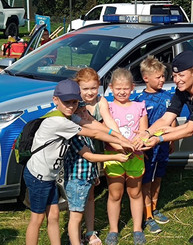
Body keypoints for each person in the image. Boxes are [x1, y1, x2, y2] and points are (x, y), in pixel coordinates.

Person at [23, 79, 133, 245]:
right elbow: (93, 134)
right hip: (39, 177)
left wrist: (118, 136)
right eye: (66, 102)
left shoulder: (67, 116)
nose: (71, 106)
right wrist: (123, 142)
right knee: (37, 219)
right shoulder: (59, 122)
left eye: (75, 102)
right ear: (55, 100)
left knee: (53, 215)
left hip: (49, 176)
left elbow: (93, 124)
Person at [136, 50, 193, 244]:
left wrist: (158, 140)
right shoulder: (181, 92)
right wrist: (146, 134)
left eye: (181, 75)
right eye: (175, 75)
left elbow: (190, 129)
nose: (177, 80)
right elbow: (166, 118)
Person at [64, 102, 129, 245]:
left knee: (88, 202)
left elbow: (93, 150)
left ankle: (89, 232)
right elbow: (90, 156)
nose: (83, 116)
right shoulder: (75, 134)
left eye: (84, 112)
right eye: (79, 114)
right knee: (76, 213)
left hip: (88, 176)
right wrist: (115, 156)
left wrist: (94, 174)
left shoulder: (87, 132)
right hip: (77, 179)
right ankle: (75, 239)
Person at [104, 68, 148, 245]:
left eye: (125, 88)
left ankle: (137, 229)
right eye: (118, 88)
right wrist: (120, 148)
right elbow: (106, 134)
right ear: (111, 88)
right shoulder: (107, 108)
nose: (122, 92)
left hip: (135, 157)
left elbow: (144, 131)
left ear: (132, 88)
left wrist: (139, 141)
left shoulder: (139, 106)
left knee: (135, 193)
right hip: (113, 157)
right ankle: (113, 230)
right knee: (115, 194)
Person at [134, 56, 175, 234]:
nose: (162, 79)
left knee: (158, 177)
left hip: (163, 145)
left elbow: (172, 119)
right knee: (146, 181)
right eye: (158, 77)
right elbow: (137, 126)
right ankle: (147, 215)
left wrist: (172, 138)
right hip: (148, 148)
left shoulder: (168, 96)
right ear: (146, 78)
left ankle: (155, 207)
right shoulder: (140, 100)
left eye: (163, 76)